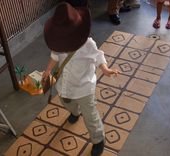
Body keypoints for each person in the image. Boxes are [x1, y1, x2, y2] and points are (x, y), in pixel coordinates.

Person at [42, 2, 120, 156]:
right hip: (66, 85)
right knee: (65, 101)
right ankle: (74, 112)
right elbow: (54, 56)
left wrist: (105, 69)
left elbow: (98, 55)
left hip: (85, 87)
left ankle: (98, 139)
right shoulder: (58, 43)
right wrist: (48, 70)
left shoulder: (88, 44)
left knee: (90, 116)